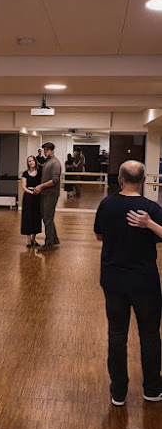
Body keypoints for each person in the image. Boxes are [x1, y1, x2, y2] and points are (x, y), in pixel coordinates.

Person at [94, 160, 162, 406]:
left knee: (117, 334)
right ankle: (152, 389)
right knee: (150, 335)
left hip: (114, 280)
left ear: (120, 180)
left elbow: (99, 235)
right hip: (145, 282)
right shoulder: (151, 208)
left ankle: (118, 393)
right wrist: (149, 224)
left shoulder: (106, 204)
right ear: (143, 181)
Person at [34, 142, 61, 252]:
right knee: (47, 217)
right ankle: (54, 239)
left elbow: (55, 180)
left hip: (51, 194)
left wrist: (41, 186)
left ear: (52, 151)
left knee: (47, 218)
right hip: (45, 193)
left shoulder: (55, 163)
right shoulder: (47, 161)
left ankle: (49, 242)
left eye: (47, 150)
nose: (45, 152)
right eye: (44, 150)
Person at [21, 156, 42, 247]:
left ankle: (34, 239)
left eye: (32, 160)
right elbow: (24, 187)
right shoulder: (25, 173)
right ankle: (29, 240)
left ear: (35, 162)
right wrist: (31, 192)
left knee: (36, 217)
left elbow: (42, 184)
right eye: (29, 161)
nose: (31, 162)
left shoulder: (40, 172)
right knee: (28, 217)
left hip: (37, 197)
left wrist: (37, 191)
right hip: (28, 197)